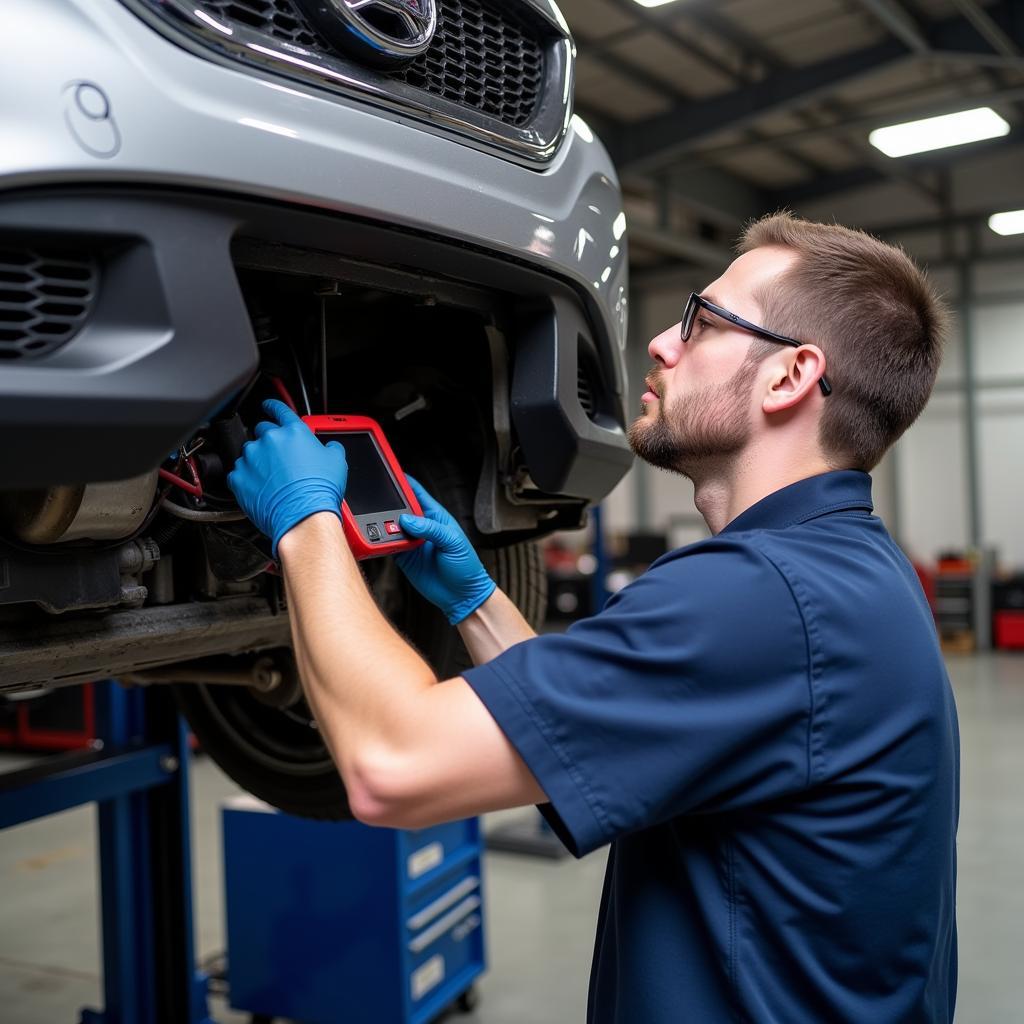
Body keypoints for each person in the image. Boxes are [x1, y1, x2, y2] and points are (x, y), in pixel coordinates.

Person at [227, 212, 959, 1023]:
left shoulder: (759, 596)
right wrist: (474, 603)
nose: (660, 343)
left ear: (789, 377)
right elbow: (585, 733)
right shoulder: (848, 571)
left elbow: (391, 766)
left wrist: (304, 520)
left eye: (702, 323)